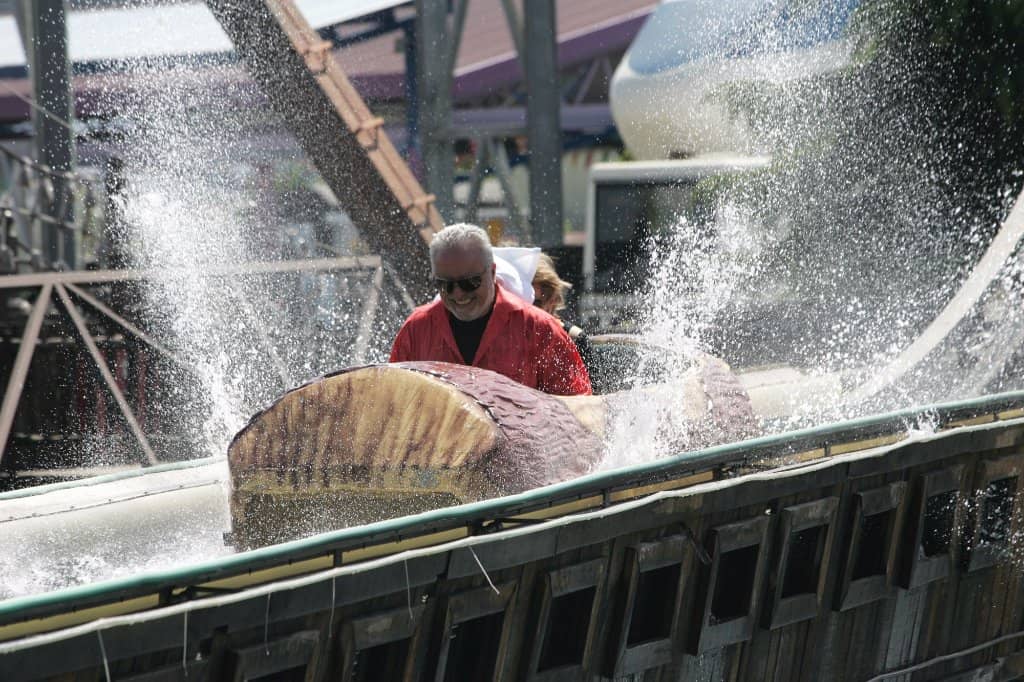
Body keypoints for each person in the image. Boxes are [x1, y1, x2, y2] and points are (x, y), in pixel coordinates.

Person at [390, 224, 592, 396]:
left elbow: (578, 409)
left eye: (470, 282)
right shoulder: (416, 330)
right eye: (446, 285)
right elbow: (391, 407)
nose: (458, 294)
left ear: (493, 272)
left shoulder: (539, 329)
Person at [531, 253, 592, 370]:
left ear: (553, 299)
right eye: (521, 300)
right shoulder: (506, 336)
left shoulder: (574, 339)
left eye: (536, 302)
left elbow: (592, 387)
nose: (527, 309)